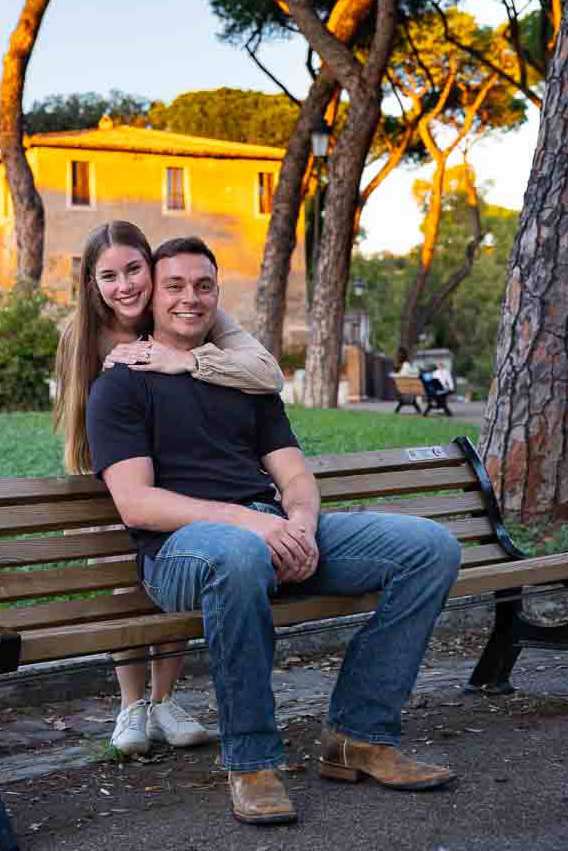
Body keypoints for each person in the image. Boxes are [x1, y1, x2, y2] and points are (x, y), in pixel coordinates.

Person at [87, 237, 461, 825]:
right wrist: (254, 524)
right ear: (153, 295)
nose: (190, 298)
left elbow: (294, 475)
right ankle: (253, 762)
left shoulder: (242, 380)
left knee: (430, 548)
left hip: (269, 536)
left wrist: (301, 525)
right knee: (238, 555)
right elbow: (137, 504)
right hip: (180, 554)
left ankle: (359, 736)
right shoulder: (122, 383)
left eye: (204, 285)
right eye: (175, 286)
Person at [54, 221, 284, 757]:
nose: (125, 286)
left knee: (179, 554)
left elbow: (267, 374)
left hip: (174, 471)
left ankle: (164, 700)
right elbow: (76, 415)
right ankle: (131, 705)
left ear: (152, 268)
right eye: (109, 276)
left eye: (135, 269)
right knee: (124, 583)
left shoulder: (193, 314)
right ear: (92, 283)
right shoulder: (81, 336)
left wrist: (187, 360)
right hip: (112, 469)